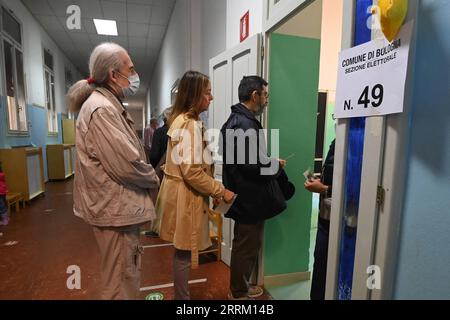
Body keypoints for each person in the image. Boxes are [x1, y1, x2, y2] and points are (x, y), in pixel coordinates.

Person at [66, 42, 160, 300]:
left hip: (117, 210)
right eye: (130, 69)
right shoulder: (102, 109)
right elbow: (127, 165)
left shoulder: (107, 105)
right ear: (113, 74)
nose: (134, 73)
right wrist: (154, 177)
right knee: (121, 282)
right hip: (114, 209)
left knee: (123, 275)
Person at [156, 71, 235, 300]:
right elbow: (191, 172)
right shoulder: (189, 125)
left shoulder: (183, 120)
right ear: (194, 95)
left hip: (182, 193)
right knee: (183, 252)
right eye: (207, 92)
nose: (211, 97)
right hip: (186, 196)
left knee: (182, 251)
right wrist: (221, 190)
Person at [220, 76, 286, 300]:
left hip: (245, 195)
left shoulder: (236, 120)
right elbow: (251, 166)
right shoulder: (245, 123)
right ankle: (238, 293)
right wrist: (275, 166)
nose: (267, 101)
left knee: (246, 245)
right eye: (265, 95)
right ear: (254, 95)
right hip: (249, 198)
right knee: (246, 247)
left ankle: (241, 287)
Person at [304, 139, 335, 300]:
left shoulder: (361, 147)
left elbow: (357, 189)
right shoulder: (335, 143)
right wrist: (320, 182)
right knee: (321, 266)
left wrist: (324, 189)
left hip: (343, 225)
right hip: (325, 221)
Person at [144, 107, 172, 237]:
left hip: (162, 171)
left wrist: (155, 168)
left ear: (165, 118)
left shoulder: (160, 132)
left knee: (161, 201)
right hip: (177, 173)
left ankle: (160, 229)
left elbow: (154, 154)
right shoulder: (181, 131)